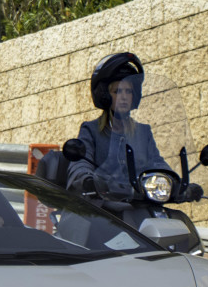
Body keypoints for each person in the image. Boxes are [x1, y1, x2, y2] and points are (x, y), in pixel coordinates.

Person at [66, 52, 173, 197]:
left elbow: (157, 163)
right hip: (103, 206)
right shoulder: (91, 130)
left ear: (134, 96)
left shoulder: (143, 132)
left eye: (128, 91)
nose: (123, 97)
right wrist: (87, 179)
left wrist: (174, 181)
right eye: (117, 91)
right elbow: (80, 163)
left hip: (139, 203)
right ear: (105, 95)